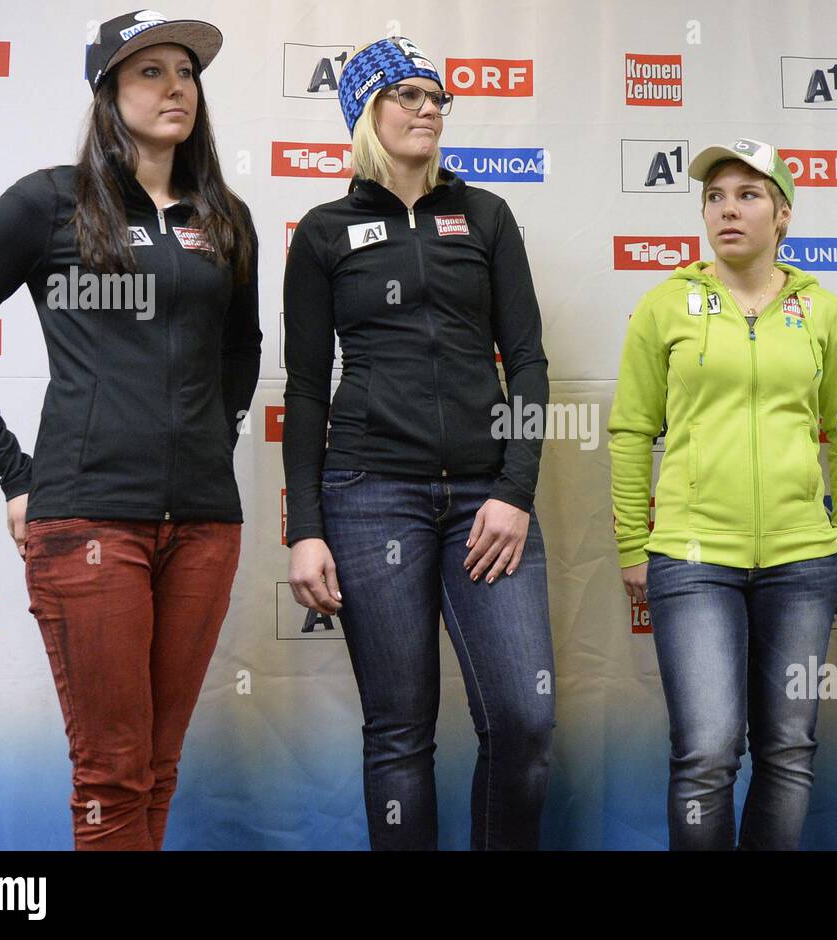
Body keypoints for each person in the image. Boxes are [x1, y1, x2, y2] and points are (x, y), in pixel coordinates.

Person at [0, 10, 260, 850]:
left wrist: (214, 436)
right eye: (151, 72)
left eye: (187, 72)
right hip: (88, 518)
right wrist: (15, 472)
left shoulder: (224, 215)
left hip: (206, 522)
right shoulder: (50, 202)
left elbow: (241, 349)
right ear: (108, 91)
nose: (177, 86)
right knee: (110, 769)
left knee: (159, 764)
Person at [281, 36, 555, 851]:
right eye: (408, 94)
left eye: (438, 97)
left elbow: (530, 363)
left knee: (525, 721)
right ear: (366, 111)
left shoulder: (485, 216)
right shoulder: (324, 232)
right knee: (399, 734)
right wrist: (304, 528)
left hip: (487, 497)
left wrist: (516, 490)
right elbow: (302, 388)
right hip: (369, 497)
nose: (429, 108)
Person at [609, 139, 837, 850]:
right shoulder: (665, 305)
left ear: (782, 214)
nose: (728, 208)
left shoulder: (821, 310)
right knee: (706, 753)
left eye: (749, 195)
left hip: (802, 561)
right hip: (692, 561)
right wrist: (635, 543)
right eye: (715, 196)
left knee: (788, 750)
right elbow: (632, 429)